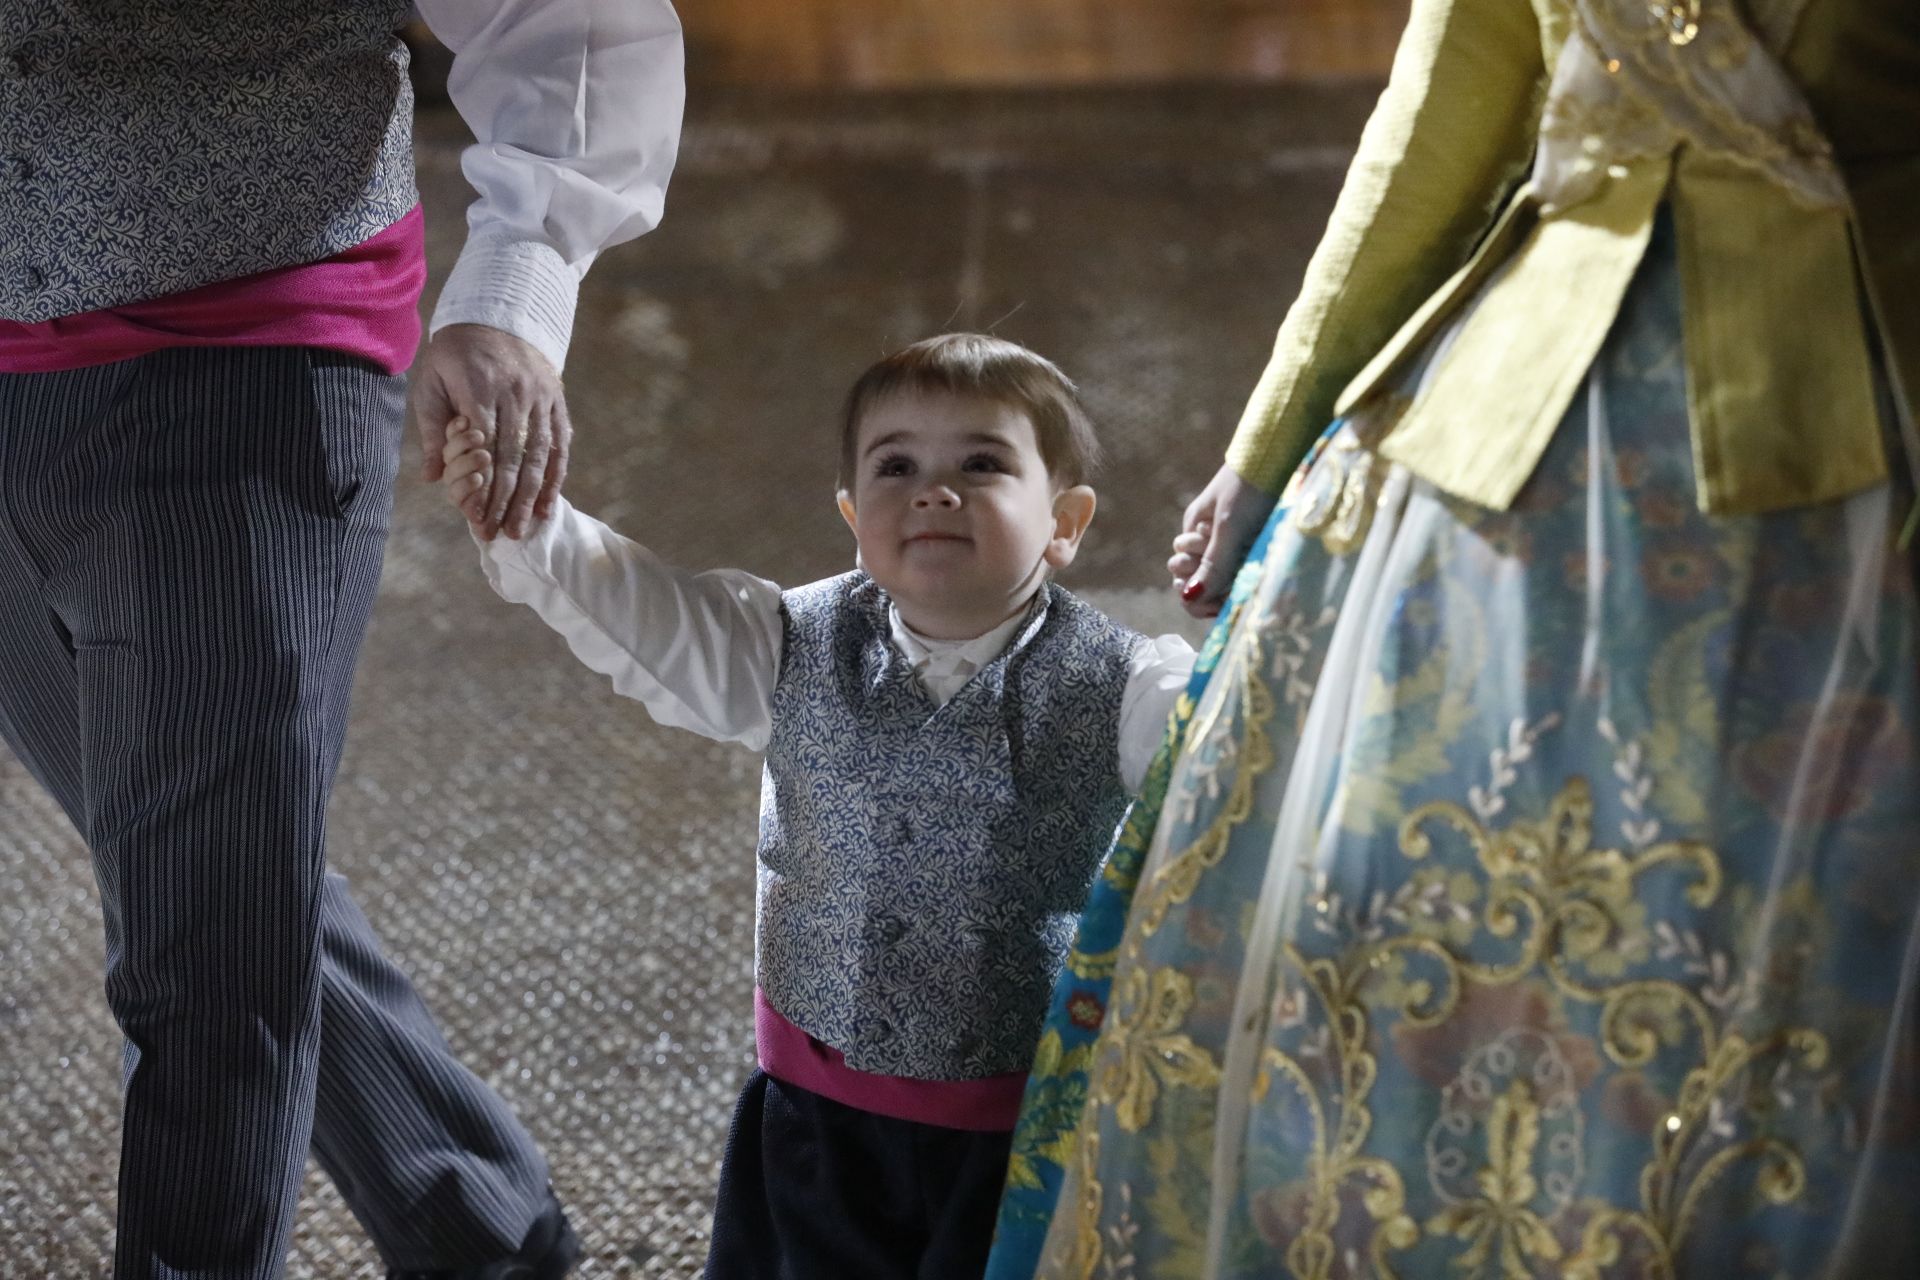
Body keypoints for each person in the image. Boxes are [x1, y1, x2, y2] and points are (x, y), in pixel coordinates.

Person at [985, 0, 1920, 1276]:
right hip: (1504, 440)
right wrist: (1270, 442)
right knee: (1377, 902)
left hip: (1861, 447)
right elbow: (1441, 124)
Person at [0, 2, 683, 1276]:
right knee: (212, 874)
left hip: (238, 354)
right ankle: (487, 1233)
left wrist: (517, 290)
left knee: (202, 969)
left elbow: (572, 18)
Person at [438, 333, 1195, 1278]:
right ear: (851, 513)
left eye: (983, 463)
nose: (935, 489)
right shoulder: (786, 641)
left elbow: (1245, 747)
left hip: (1027, 1125)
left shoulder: (1129, 687)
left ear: (1064, 522)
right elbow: (643, 611)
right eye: (896, 464)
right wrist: (528, 520)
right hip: (816, 1111)